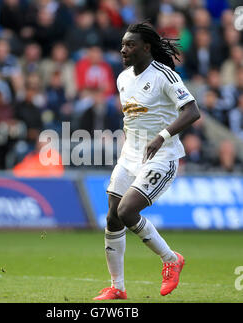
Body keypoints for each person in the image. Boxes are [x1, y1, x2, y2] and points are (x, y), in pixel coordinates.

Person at [93, 22, 200, 301]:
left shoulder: (165, 75)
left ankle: (171, 259)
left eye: (129, 45)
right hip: (131, 155)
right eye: (122, 44)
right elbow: (134, 118)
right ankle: (117, 287)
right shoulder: (123, 78)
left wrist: (162, 136)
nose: (123, 49)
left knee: (128, 211)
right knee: (113, 217)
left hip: (161, 156)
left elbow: (192, 111)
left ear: (146, 47)